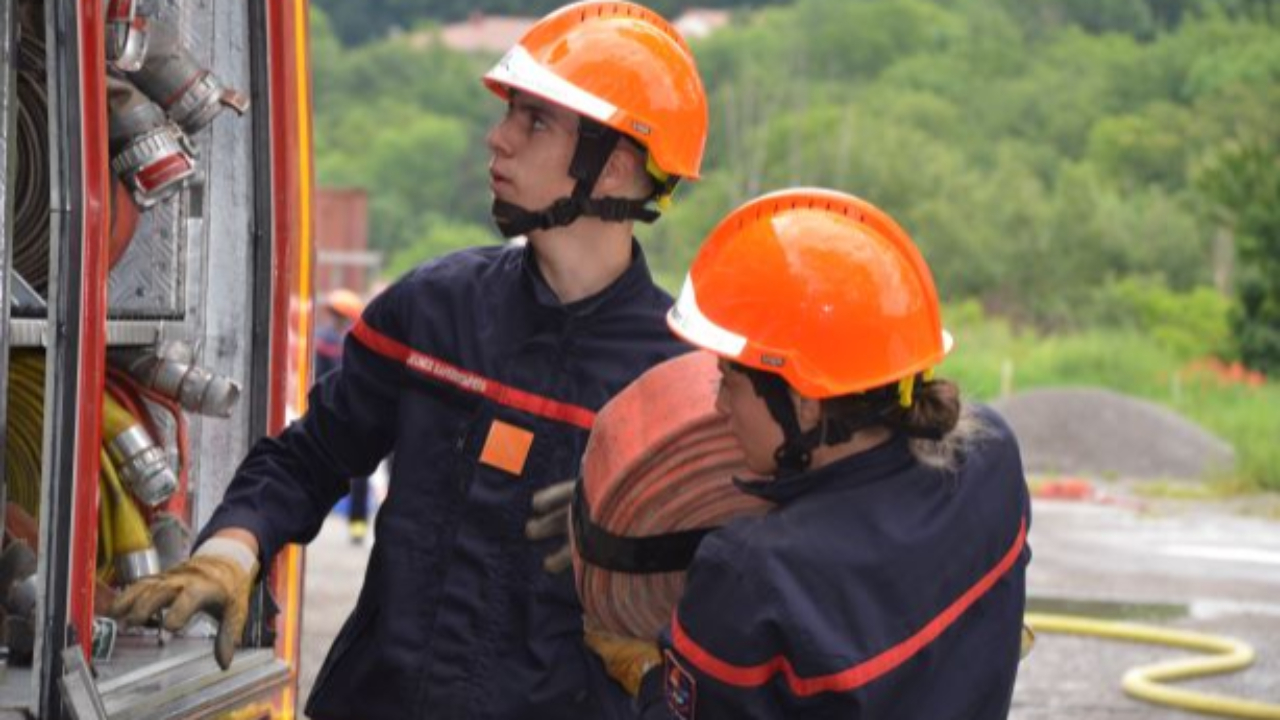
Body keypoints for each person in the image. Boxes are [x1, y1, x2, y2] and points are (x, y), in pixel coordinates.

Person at [110, 3, 708, 719]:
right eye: (509, 115)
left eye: (534, 121)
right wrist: (232, 553)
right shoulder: (434, 311)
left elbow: (716, 597)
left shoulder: (680, 391)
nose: (498, 140)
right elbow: (310, 458)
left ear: (610, 168)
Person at [588, 188, 1031, 718]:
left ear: (802, 405)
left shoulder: (750, 574)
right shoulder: (992, 461)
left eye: (729, 379)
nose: (717, 404)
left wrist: (655, 676)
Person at [314, 288, 373, 544]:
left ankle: (358, 525)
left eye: (339, 314)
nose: (335, 319)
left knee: (360, 473)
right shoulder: (324, 341)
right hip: (336, 410)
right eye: (334, 314)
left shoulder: (356, 342)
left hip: (359, 414)